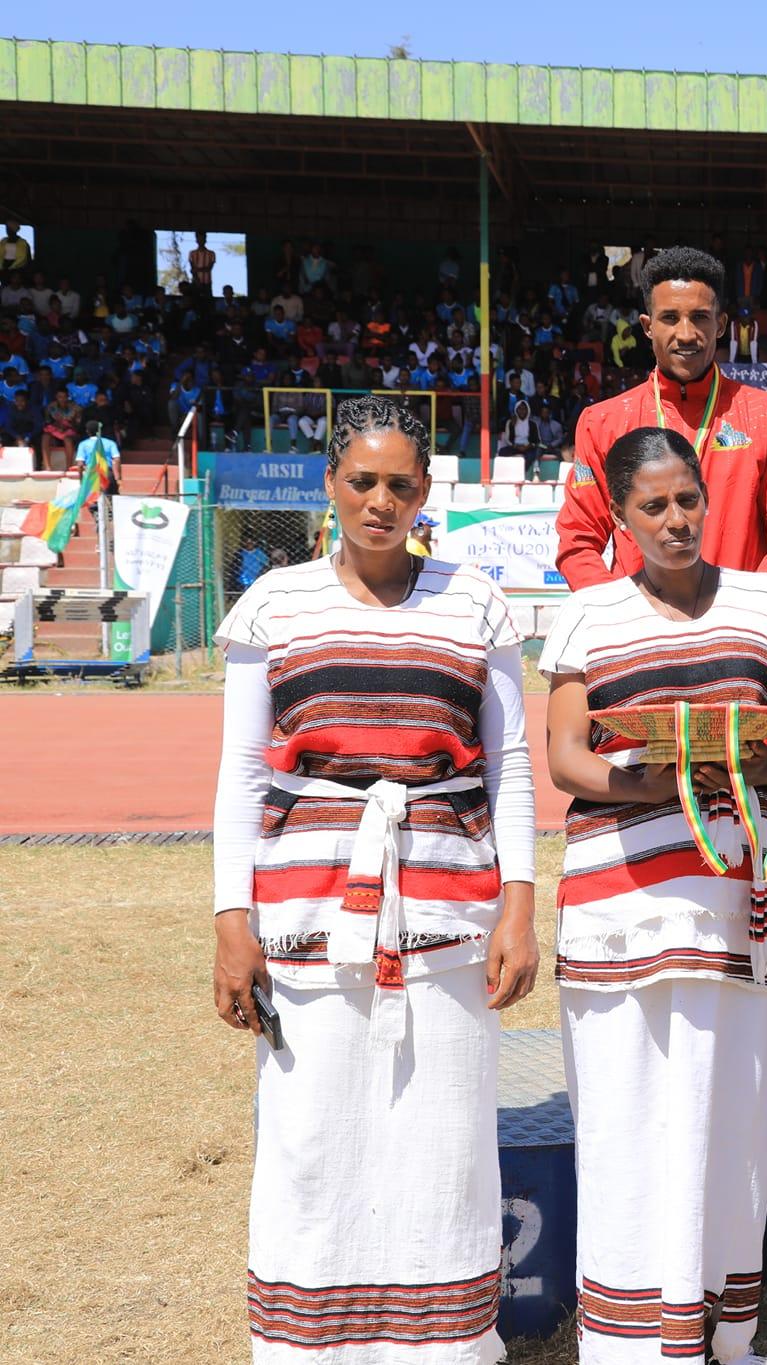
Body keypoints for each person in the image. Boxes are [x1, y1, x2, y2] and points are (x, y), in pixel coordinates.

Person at [210, 394, 538, 1363]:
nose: (380, 501)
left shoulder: (475, 603)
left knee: (443, 1139)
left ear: (426, 490)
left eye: (400, 483)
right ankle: (312, 1348)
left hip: (449, 911)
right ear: (330, 483)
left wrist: (520, 907)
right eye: (362, 481)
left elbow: (512, 765)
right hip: (306, 911)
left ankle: (442, 1348)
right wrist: (232, 920)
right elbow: (241, 773)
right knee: (313, 1138)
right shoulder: (275, 604)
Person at [541, 425, 767, 1365]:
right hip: (619, 900)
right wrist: (665, 778)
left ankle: (723, 1332)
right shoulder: (588, 615)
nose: (675, 519)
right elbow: (568, 758)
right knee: (625, 1115)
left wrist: (739, 763)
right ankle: (630, 1343)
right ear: (620, 517)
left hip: (739, 900)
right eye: (652, 505)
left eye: (688, 499)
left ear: (709, 498)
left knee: (732, 1114)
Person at [556, 247, 767, 589]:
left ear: (720, 324)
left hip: (738, 618)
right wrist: (620, 613)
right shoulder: (602, 423)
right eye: (670, 318)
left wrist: (750, 609)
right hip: (637, 621)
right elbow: (578, 541)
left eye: (700, 317)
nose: (687, 333)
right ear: (647, 326)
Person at [188, 231, 217, 298]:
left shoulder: (211, 253)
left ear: (205, 239)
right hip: (195, 283)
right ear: (196, 240)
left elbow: (209, 269)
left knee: (208, 301)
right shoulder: (192, 253)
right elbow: (192, 269)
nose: (200, 240)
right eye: (199, 238)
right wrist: (197, 281)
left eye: (202, 238)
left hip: (207, 283)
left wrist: (196, 270)